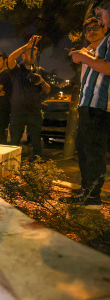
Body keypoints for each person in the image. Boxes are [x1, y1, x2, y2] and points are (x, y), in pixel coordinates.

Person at [66, 10, 110, 205]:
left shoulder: (107, 44)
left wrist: (82, 57)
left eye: (96, 27)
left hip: (100, 107)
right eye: (88, 30)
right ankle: (87, 188)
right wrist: (83, 54)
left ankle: (93, 196)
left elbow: (108, 68)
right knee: (83, 150)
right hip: (86, 106)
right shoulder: (90, 51)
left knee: (93, 152)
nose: (91, 32)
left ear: (105, 28)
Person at [7, 35, 51, 159]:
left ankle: (36, 165)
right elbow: (10, 58)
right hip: (18, 112)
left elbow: (47, 90)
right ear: (23, 55)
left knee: (36, 141)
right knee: (14, 142)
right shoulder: (17, 70)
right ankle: (11, 164)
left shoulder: (39, 71)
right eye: (30, 53)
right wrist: (27, 46)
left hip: (34, 111)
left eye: (35, 54)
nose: (33, 56)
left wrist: (42, 81)